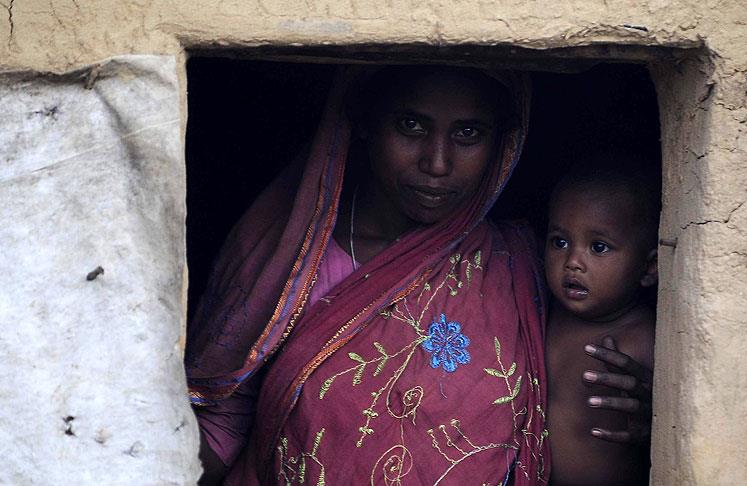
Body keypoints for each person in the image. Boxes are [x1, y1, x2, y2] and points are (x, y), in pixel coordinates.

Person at [184, 65, 550, 485]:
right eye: (411, 126)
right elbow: (222, 420)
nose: (437, 162)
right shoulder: (289, 259)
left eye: (468, 134)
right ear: (364, 121)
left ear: (502, 141)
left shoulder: (520, 267)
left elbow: (569, 408)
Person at [544, 157, 659, 485]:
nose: (573, 262)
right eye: (559, 242)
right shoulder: (544, 310)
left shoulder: (642, 339)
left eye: (598, 247)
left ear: (649, 268)